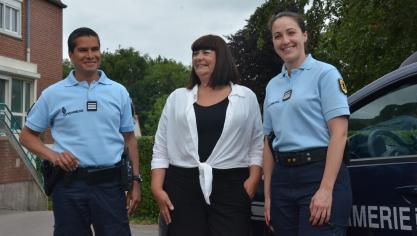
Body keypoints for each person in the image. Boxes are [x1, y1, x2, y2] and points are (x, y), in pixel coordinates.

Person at [19, 27, 141, 236]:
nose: (91, 55)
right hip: (69, 187)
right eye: (83, 50)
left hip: (110, 186)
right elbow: (26, 136)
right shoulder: (53, 94)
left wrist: (135, 182)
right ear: (71, 54)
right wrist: (53, 155)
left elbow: (129, 139)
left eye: (95, 49)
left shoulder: (118, 91)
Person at [151, 34, 263, 236]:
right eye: (195, 53)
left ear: (221, 57)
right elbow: (161, 145)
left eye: (205, 52)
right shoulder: (177, 98)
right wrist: (157, 187)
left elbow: (256, 143)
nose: (198, 58)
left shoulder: (246, 97)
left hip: (232, 187)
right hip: (182, 186)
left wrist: (253, 179)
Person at [263, 11, 352, 236]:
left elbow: (339, 134)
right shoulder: (272, 85)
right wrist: (268, 196)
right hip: (282, 179)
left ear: (304, 35)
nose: (285, 41)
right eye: (277, 36)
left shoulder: (326, 74)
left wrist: (326, 189)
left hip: (319, 174)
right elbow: (267, 140)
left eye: (291, 33)